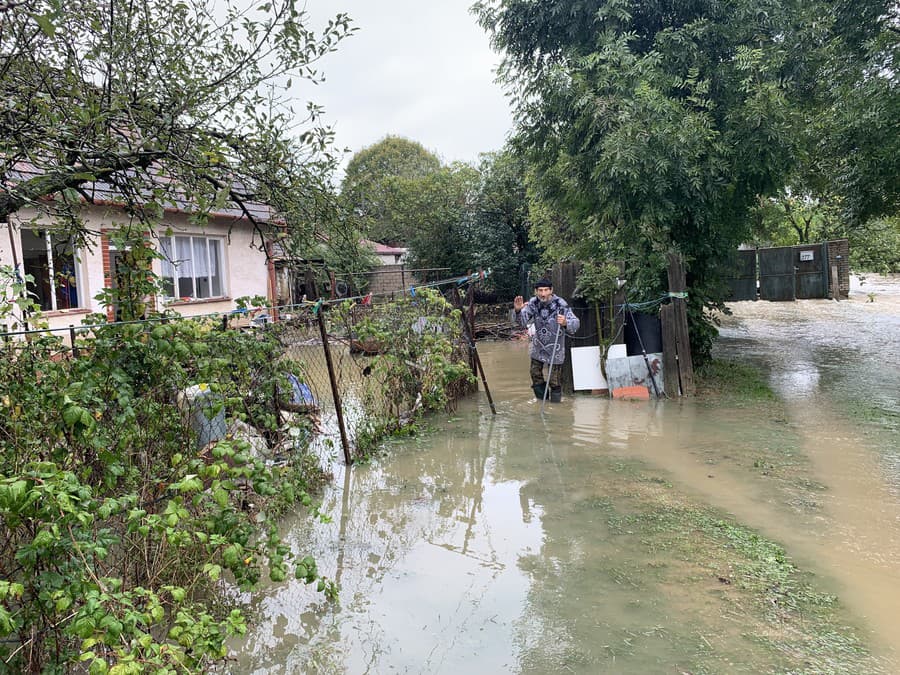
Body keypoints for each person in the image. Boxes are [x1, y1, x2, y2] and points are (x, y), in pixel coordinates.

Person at [513, 278, 580, 402]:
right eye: (540, 291)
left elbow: (575, 323)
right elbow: (522, 323)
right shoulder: (533, 303)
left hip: (556, 347)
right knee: (535, 374)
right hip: (538, 346)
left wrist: (565, 322)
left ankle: (555, 406)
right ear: (536, 291)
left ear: (551, 290)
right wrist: (518, 311)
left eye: (545, 290)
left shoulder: (561, 304)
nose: (543, 294)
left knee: (554, 380)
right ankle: (541, 401)